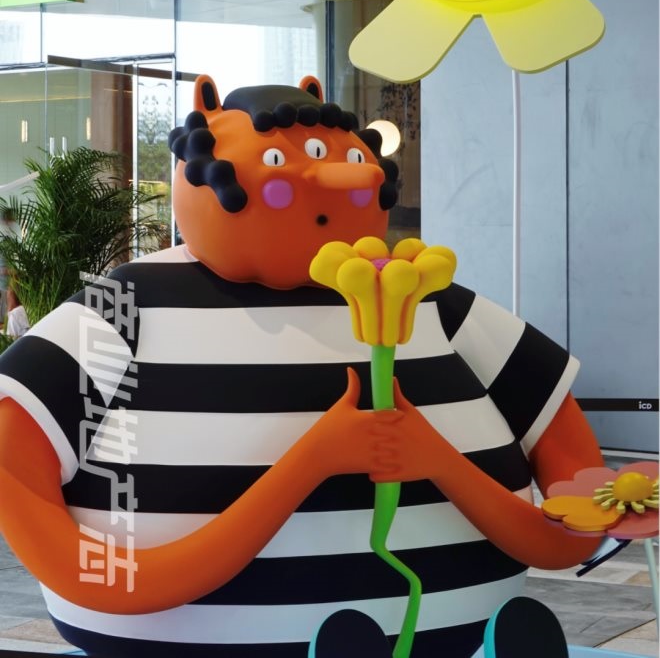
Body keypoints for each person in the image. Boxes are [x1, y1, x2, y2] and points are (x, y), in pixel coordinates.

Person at [0, 74, 602, 658]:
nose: (345, 175)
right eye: (289, 158)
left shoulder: (424, 295)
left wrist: (438, 459)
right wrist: (315, 458)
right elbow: (16, 467)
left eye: (348, 156)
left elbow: (576, 489)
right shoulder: (123, 306)